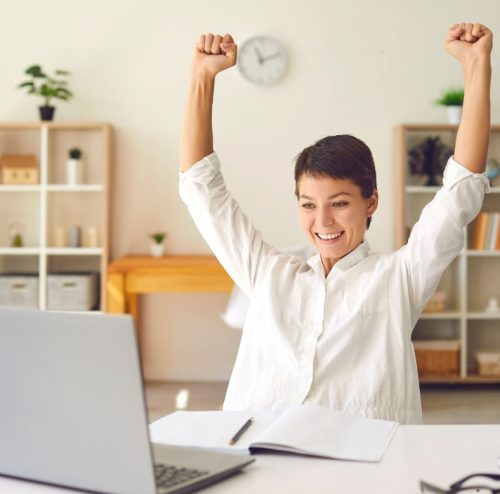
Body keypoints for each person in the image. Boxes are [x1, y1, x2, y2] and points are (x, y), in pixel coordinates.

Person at [179, 24, 492, 424]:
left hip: (365, 467)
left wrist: (477, 64)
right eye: (308, 204)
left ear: (371, 202)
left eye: (340, 203)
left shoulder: (400, 276)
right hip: (257, 458)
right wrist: (202, 77)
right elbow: (201, 189)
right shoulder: (268, 273)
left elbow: (462, 190)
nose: (322, 220)